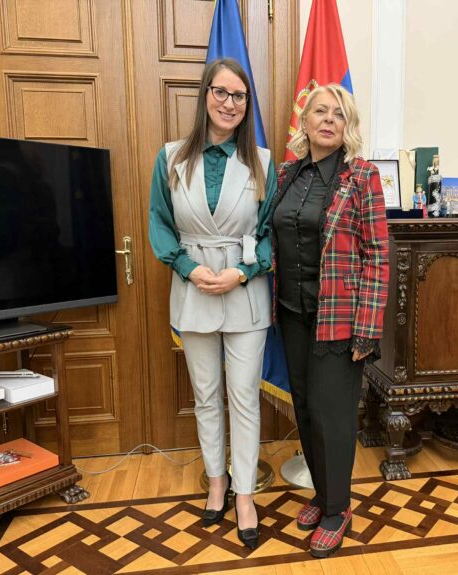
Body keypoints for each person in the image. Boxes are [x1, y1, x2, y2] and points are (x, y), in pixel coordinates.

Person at [148, 57, 276, 551]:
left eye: (238, 96)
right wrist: (187, 267)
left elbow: (270, 234)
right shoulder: (171, 158)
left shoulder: (263, 162)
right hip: (194, 288)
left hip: (245, 292)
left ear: (247, 106)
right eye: (221, 92)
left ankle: (245, 495)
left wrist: (243, 271)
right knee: (206, 396)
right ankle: (216, 483)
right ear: (205, 95)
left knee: (243, 397)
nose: (229, 103)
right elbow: (160, 222)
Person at [271, 84, 389, 558]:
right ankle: (322, 496)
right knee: (304, 408)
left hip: (338, 318)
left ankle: (338, 509)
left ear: (347, 126)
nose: (327, 120)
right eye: (319, 111)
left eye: (338, 114)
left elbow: (377, 255)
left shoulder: (362, 177)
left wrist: (368, 328)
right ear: (304, 120)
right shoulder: (286, 174)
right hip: (291, 313)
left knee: (333, 415)